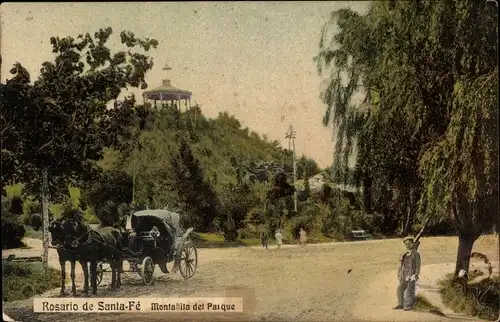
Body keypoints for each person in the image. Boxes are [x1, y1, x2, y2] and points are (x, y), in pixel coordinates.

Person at [394, 236, 421, 311]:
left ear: (413, 244)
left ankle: (408, 305)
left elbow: (418, 265)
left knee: (409, 290)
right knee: (400, 289)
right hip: (403, 274)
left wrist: (416, 274)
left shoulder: (416, 254)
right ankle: (400, 304)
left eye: (409, 243)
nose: (407, 245)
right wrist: (399, 273)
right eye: (406, 244)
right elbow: (400, 262)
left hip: (411, 274)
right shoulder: (404, 253)